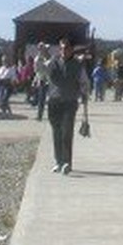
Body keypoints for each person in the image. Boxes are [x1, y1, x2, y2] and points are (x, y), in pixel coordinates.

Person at [45, 39, 89, 175]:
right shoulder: (53, 62)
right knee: (56, 132)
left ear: (71, 50)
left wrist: (85, 96)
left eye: (66, 49)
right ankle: (58, 161)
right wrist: (42, 53)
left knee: (66, 132)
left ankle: (67, 163)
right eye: (62, 48)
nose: (64, 51)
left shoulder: (77, 65)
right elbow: (41, 70)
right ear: (60, 49)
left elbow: (84, 82)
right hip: (54, 101)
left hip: (69, 102)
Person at [31, 43, 51, 121]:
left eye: (46, 48)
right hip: (42, 80)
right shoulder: (37, 59)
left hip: (51, 80)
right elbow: (36, 71)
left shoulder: (50, 57)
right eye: (44, 48)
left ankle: (52, 115)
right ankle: (39, 116)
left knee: (52, 99)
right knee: (41, 99)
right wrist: (35, 81)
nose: (46, 50)